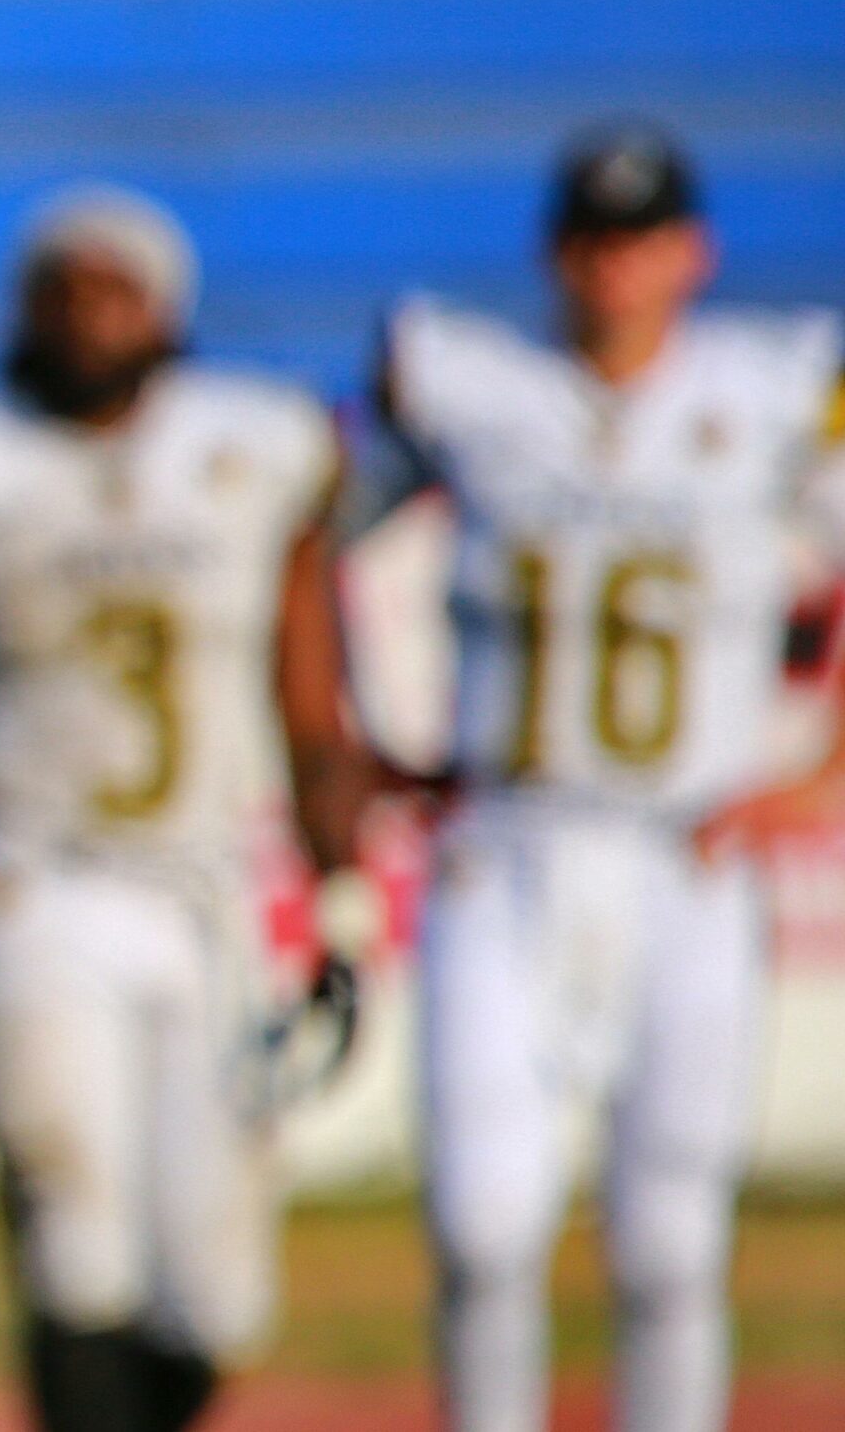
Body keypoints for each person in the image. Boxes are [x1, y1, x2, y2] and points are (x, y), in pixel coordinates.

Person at [0, 186, 378, 1432]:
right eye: (58, 288)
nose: (84, 313)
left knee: (217, 1293)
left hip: (207, 889)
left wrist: (339, 904)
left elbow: (310, 709)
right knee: (74, 1242)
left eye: (112, 287)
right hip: (37, 880)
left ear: (167, 309)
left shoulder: (255, 450)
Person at [341, 124, 845, 1432]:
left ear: (695, 252)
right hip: (506, 844)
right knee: (485, 1220)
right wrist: (362, 734)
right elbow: (311, 539)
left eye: (641, 238)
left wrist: (821, 769)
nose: (615, 269)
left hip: (689, 851)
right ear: (556, 251)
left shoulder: (776, 391)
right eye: (593, 239)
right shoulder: (471, 385)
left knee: (673, 1239)